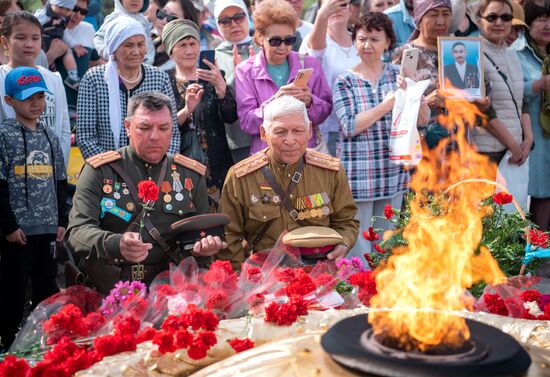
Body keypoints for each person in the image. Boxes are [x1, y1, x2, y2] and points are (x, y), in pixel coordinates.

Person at [66, 92, 225, 294]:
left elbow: (201, 238)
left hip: (171, 289)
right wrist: (115, 244)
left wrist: (205, 249)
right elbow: (77, 232)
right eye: (145, 127)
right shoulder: (100, 171)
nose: (155, 136)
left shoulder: (190, 174)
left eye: (164, 128)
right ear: (127, 127)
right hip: (113, 288)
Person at [218, 95, 359, 269]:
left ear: (309, 131)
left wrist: (343, 244)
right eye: (280, 132)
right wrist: (242, 281)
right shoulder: (240, 177)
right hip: (265, 278)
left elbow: (346, 221)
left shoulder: (330, 172)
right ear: (263, 133)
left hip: (319, 273)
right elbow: (229, 236)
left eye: (298, 131)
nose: (290, 140)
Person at [333, 13, 429, 257]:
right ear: (354, 42)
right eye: (362, 39)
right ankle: (358, 291)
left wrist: (414, 93)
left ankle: (385, 290)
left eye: (375, 39)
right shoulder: (345, 80)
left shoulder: (398, 75)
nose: (367, 46)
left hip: (392, 171)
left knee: (388, 240)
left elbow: (422, 121)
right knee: (358, 241)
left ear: (388, 43)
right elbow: (350, 126)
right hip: (358, 173)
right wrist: (386, 105)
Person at [0, 67, 68, 350]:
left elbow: (61, 180)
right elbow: (0, 185)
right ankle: (9, 339)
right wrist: (9, 226)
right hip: (18, 231)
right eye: (28, 97)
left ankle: (45, 338)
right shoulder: (4, 136)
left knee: (47, 285)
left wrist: (62, 219)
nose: (36, 103)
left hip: (48, 227)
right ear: (9, 101)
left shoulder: (51, 135)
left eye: (40, 96)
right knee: (13, 287)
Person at [235, 0, 333, 156]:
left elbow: (325, 111)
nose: (282, 47)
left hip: (306, 154)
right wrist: (275, 101)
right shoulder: (245, 71)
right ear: (260, 38)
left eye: (289, 40)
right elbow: (247, 123)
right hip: (267, 157)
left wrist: (310, 102)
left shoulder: (310, 64)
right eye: (275, 41)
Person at [76, 16, 181, 160]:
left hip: (154, 167)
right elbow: (86, 137)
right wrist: (112, 168)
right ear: (114, 48)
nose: (136, 51)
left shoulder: (159, 78)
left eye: (140, 44)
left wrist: (158, 164)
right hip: (107, 170)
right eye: (128, 45)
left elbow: (172, 132)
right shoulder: (94, 79)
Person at [162, 19, 236, 211]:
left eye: (193, 43)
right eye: (182, 45)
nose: (189, 50)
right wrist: (187, 110)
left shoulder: (212, 75)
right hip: (181, 161)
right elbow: (163, 125)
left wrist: (221, 86)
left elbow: (231, 116)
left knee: (223, 216)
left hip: (216, 159)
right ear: (171, 50)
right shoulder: (164, 80)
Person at [0, 12, 71, 167]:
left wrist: (60, 168)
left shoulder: (54, 79)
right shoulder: (1, 77)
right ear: (5, 42)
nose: (29, 44)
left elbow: (64, 129)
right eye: (20, 37)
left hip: (50, 172)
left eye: (35, 38)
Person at [475, 0, 532, 166]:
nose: (499, 22)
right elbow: (478, 111)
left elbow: (522, 101)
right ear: (479, 20)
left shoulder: (512, 55)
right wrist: (513, 144)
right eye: (492, 17)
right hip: (485, 153)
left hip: (515, 150)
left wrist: (528, 139)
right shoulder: (470, 53)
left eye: (506, 17)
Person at [299, 0, 360, 156]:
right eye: (330, 6)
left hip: (362, 122)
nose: (336, 10)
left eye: (341, 5)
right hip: (332, 128)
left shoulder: (359, 40)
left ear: (351, 9)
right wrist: (322, 14)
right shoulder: (316, 39)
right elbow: (315, 52)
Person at [513, 0, 550, 233]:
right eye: (541, 18)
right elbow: (509, 90)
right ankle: (535, 251)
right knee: (539, 191)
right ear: (528, 22)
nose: (548, 25)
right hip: (534, 133)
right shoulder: (517, 52)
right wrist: (539, 84)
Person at [213, 0, 254, 163]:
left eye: (238, 17)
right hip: (238, 140)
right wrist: (237, 74)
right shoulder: (215, 57)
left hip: (273, 134)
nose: (233, 24)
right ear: (218, 25)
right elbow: (218, 99)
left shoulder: (266, 45)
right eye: (225, 21)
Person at [57, 0, 104, 112]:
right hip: (54, 103)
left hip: (81, 105)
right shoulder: (51, 27)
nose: (77, 15)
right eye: (75, 9)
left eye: (83, 11)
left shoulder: (88, 29)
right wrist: (53, 54)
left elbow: (95, 62)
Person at [34, 0, 81, 89]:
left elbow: (64, 32)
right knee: (40, 57)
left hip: (57, 40)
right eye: (60, 7)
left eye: (67, 10)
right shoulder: (44, 14)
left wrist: (74, 45)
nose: (63, 12)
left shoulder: (63, 18)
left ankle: (73, 76)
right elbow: (32, 24)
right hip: (43, 41)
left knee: (68, 52)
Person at [93, 0, 155, 65]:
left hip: (145, 67)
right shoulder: (115, 18)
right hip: (123, 69)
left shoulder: (144, 20)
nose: (135, 0)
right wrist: (111, 55)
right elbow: (98, 38)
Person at [153, 0, 199, 71]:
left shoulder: (187, 59)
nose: (163, 21)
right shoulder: (147, 43)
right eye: (162, 14)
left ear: (187, 25)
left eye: (172, 18)